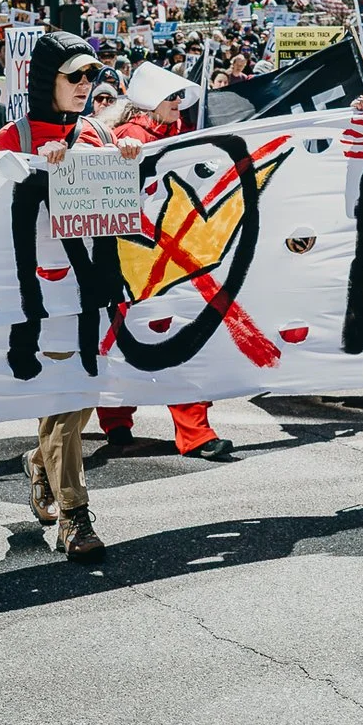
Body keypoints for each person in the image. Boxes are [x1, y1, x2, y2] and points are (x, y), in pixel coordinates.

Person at [0, 30, 144, 559]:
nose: (85, 86)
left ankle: (41, 464)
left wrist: (127, 158)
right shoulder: (15, 136)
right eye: (73, 76)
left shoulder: (96, 135)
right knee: (66, 399)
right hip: (41, 293)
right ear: (45, 80)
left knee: (78, 399)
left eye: (91, 76)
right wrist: (33, 174)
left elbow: (121, 209)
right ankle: (75, 517)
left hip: (91, 292)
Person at [92, 63, 238, 464]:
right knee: (121, 342)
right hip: (134, 260)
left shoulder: (177, 135)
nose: (179, 103)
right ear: (152, 99)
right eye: (172, 97)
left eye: (179, 97)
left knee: (182, 342)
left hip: (173, 260)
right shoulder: (129, 138)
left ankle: (186, 430)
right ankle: (120, 420)